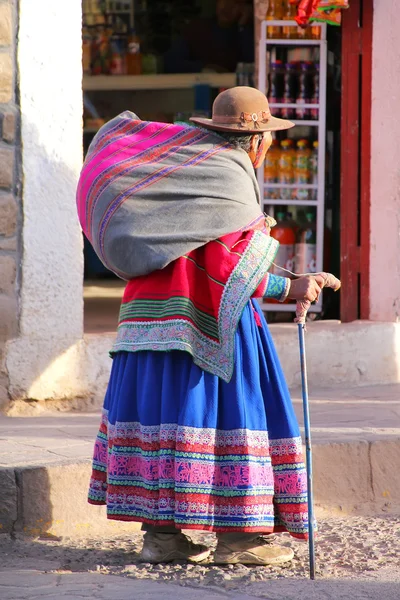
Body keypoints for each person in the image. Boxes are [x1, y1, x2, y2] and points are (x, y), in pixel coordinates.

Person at [76, 87, 329, 566]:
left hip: (147, 322)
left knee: (162, 416)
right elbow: (231, 264)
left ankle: (161, 538)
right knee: (233, 415)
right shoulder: (229, 175)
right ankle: (240, 541)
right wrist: (291, 288)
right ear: (256, 140)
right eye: (268, 139)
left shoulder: (170, 167)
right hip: (208, 321)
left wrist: (292, 280)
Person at [164, 0, 254, 74]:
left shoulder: (248, 34)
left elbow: (253, 64)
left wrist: (243, 26)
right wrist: (204, 68)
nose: (227, 7)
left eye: (236, 3)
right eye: (224, 0)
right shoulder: (197, 29)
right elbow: (171, 62)